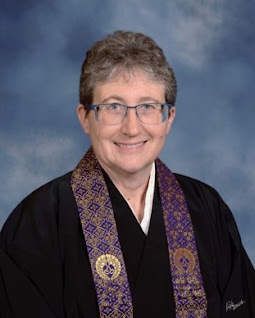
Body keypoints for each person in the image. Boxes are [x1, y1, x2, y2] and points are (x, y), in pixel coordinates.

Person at [0, 31, 254, 318]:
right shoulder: (36, 224)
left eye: (147, 106)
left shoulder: (208, 209)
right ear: (85, 118)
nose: (132, 128)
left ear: (168, 118)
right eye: (113, 107)